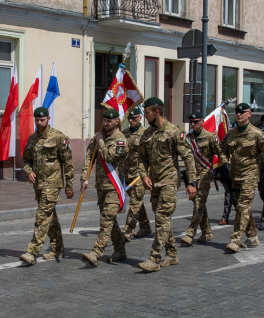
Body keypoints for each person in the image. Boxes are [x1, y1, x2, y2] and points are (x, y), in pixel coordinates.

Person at [135, 98, 196, 272]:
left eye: (146, 113)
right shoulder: (147, 134)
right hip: (154, 182)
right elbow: (141, 158)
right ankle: (172, 254)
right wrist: (144, 175)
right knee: (162, 219)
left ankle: (154, 259)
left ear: (157, 112)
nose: (144, 116)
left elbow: (188, 157)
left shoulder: (174, 131)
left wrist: (191, 182)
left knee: (162, 218)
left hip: (170, 181)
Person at [219, 103, 264, 253]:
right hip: (235, 177)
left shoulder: (257, 134)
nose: (239, 114)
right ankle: (252, 236)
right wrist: (225, 162)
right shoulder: (231, 134)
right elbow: (222, 151)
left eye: (243, 112)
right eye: (237, 112)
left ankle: (235, 240)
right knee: (242, 207)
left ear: (249, 114)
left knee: (243, 207)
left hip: (250, 176)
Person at [19, 107, 75, 265]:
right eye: (37, 120)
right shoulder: (32, 139)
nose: (39, 123)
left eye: (42, 120)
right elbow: (26, 159)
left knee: (42, 216)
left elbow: (68, 163)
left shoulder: (59, 137)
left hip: (53, 182)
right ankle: (58, 249)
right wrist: (29, 171)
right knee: (50, 218)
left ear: (48, 119)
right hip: (39, 185)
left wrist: (69, 186)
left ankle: (32, 252)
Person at [79, 109, 128, 267]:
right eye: (104, 120)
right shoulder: (98, 136)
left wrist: (100, 141)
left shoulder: (120, 141)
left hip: (113, 187)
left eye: (109, 121)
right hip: (101, 185)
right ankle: (120, 249)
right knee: (110, 221)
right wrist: (84, 177)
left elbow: (109, 157)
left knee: (106, 220)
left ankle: (96, 253)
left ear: (116, 122)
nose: (105, 123)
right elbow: (89, 157)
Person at [180, 111, 227, 245]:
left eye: (196, 122)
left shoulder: (211, 137)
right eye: (191, 122)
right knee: (198, 204)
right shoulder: (187, 138)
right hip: (191, 176)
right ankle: (206, 231)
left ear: (202, 122)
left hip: (205, 174)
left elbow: (221, 152)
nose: (193, 124)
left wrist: (226, 164)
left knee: (199, 204)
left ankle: (190, 233)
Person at [121, 108, 152, 240]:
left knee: (135, 202)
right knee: (138, 202)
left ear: (140, 118)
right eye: (129, 118)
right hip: (126, 174)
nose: (131, 120)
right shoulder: (124, 133)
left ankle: (127, 230)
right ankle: (145, 227)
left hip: (140, 174)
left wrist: (147, 173)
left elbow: (150, 155)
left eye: (134, 118)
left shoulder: (146, 134)